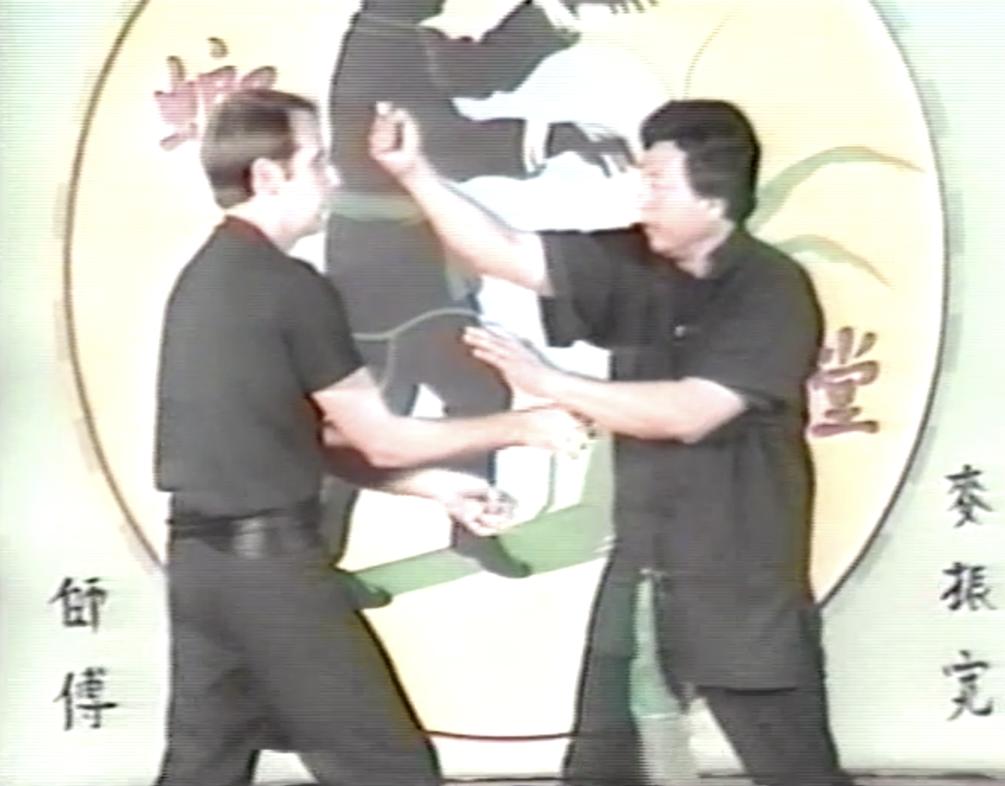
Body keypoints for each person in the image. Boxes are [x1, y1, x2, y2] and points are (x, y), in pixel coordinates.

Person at [368, 98, 855, 786]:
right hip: (643, 562)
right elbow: (506, 253)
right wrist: (414, 172)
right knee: (601, 765)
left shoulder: (771, 290)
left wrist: (548, 382)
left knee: (794, 767)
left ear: (712, 195)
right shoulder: (635, 260)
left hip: (739, 574)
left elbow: (691, 412)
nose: (640, 198)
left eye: (656, 182)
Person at [152, 88, 587, 786]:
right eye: (317, 162)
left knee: (205, 765)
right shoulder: (290, 285)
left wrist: (433, 487)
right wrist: (522, 426)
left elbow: (312, 440)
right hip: (272, 573)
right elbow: (378, 438)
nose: (333, 179)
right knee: (389, 769)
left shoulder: (205, 278)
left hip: (203, 568)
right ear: (268, 176)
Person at [322, 0, 623, 581]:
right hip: (374, 270)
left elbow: (475, 71)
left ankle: (472, 526)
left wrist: (561, 9)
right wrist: (556, 138)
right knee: (374, 418)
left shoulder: (398, 34)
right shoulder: (376, 46)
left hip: (417, 264)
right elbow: (446, 142)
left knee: (476, 388)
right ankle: (315, 563)